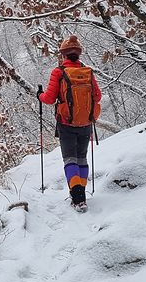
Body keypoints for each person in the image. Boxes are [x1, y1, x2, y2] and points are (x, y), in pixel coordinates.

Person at [38, 35, 102, 212]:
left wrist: (39, 96)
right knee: (81, 158)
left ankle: (77, 197)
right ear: (79, 54)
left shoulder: (58, 72)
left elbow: (50, 99)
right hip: (85, 123)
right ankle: (81, 195)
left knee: (70, 159)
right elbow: (97, 96)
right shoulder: (87, 71)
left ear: (63, 55)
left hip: (66, 123)